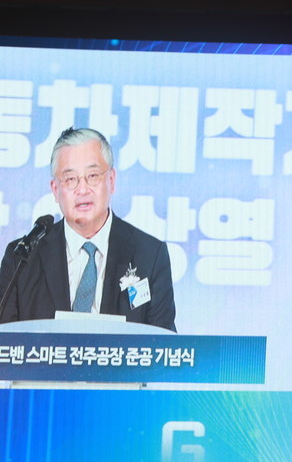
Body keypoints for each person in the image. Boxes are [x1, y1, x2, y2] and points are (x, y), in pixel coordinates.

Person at [0, 127, 176, 332]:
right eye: (70, 179)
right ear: (55, 190)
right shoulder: (22, 258)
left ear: (111, 180)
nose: (82, 190)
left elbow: (164, 344)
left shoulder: (150, 256)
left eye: (93, 176)